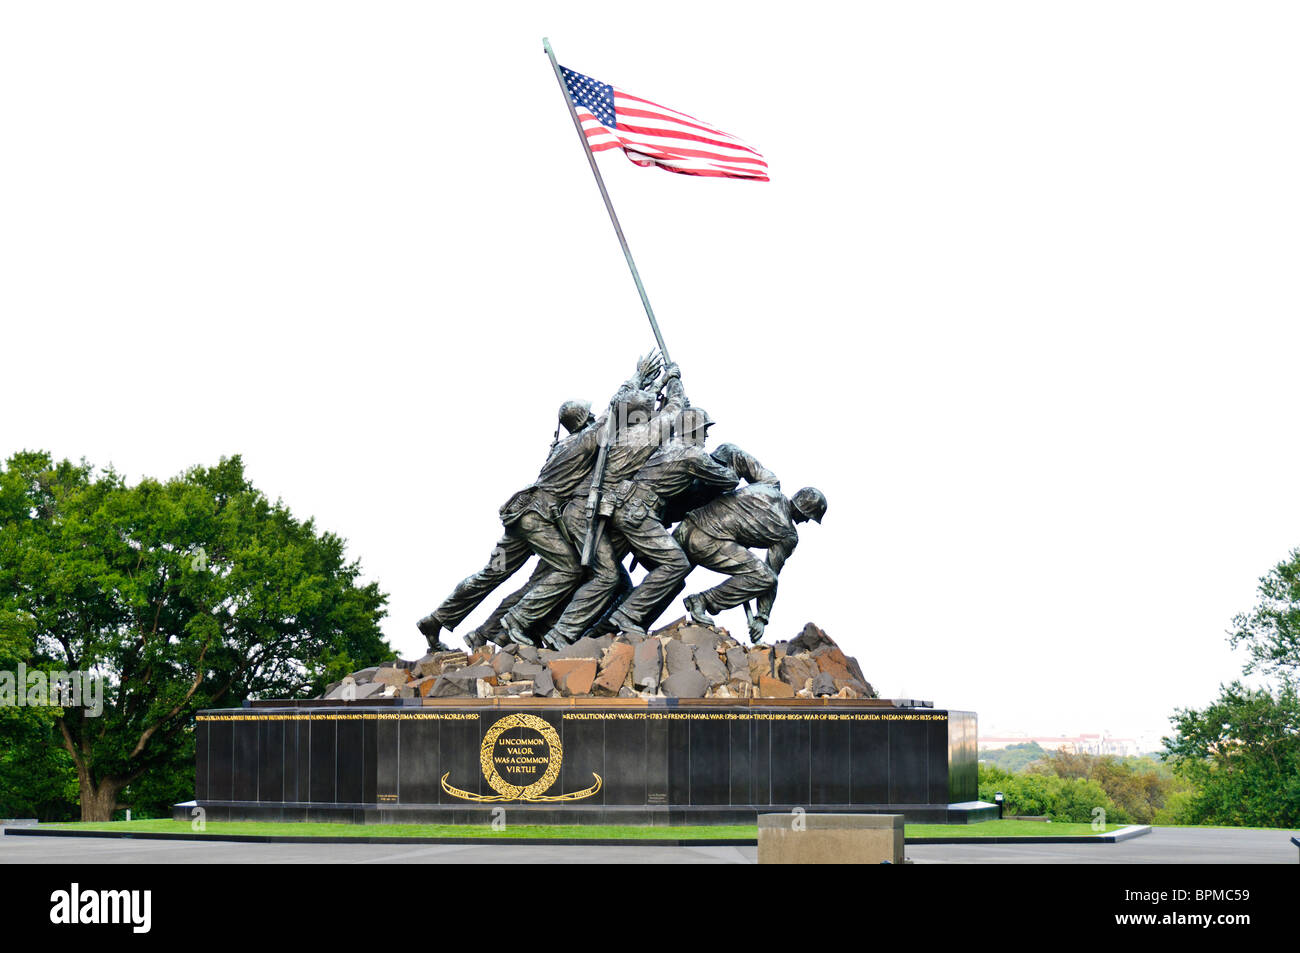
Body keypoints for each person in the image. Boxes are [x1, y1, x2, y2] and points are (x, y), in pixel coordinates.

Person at [675, 484, 827, 643]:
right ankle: (701, 600)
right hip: (706, 541)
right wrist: (762, 617)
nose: (806, 522)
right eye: (809, 517)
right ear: (803, 510)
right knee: (765, 577)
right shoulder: (788, 534)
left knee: (666, 585)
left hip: (686, 526)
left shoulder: (766, 488)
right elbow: (771, 574)